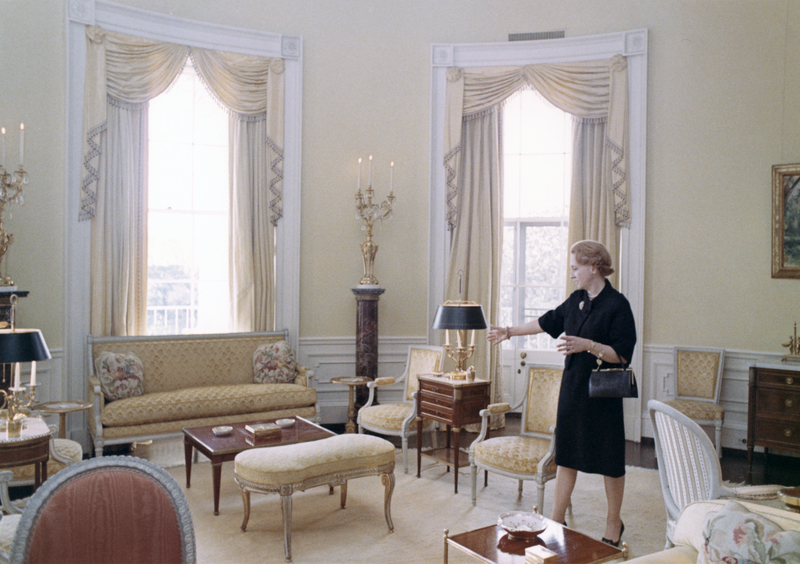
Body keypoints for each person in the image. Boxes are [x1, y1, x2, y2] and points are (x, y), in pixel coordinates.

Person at [487, 240, 636, 547]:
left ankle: (613, 523)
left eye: (575, 268)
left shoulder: (617, 304)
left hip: (603, 396)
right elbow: (547, 321)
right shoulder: (577, 299)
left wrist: (588, 345)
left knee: (610, 460)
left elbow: (622, 355)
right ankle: (555, 520)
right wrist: (509, 331)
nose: (572, 274)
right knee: (566, 455)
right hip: (573, 390)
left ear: (593, 267)